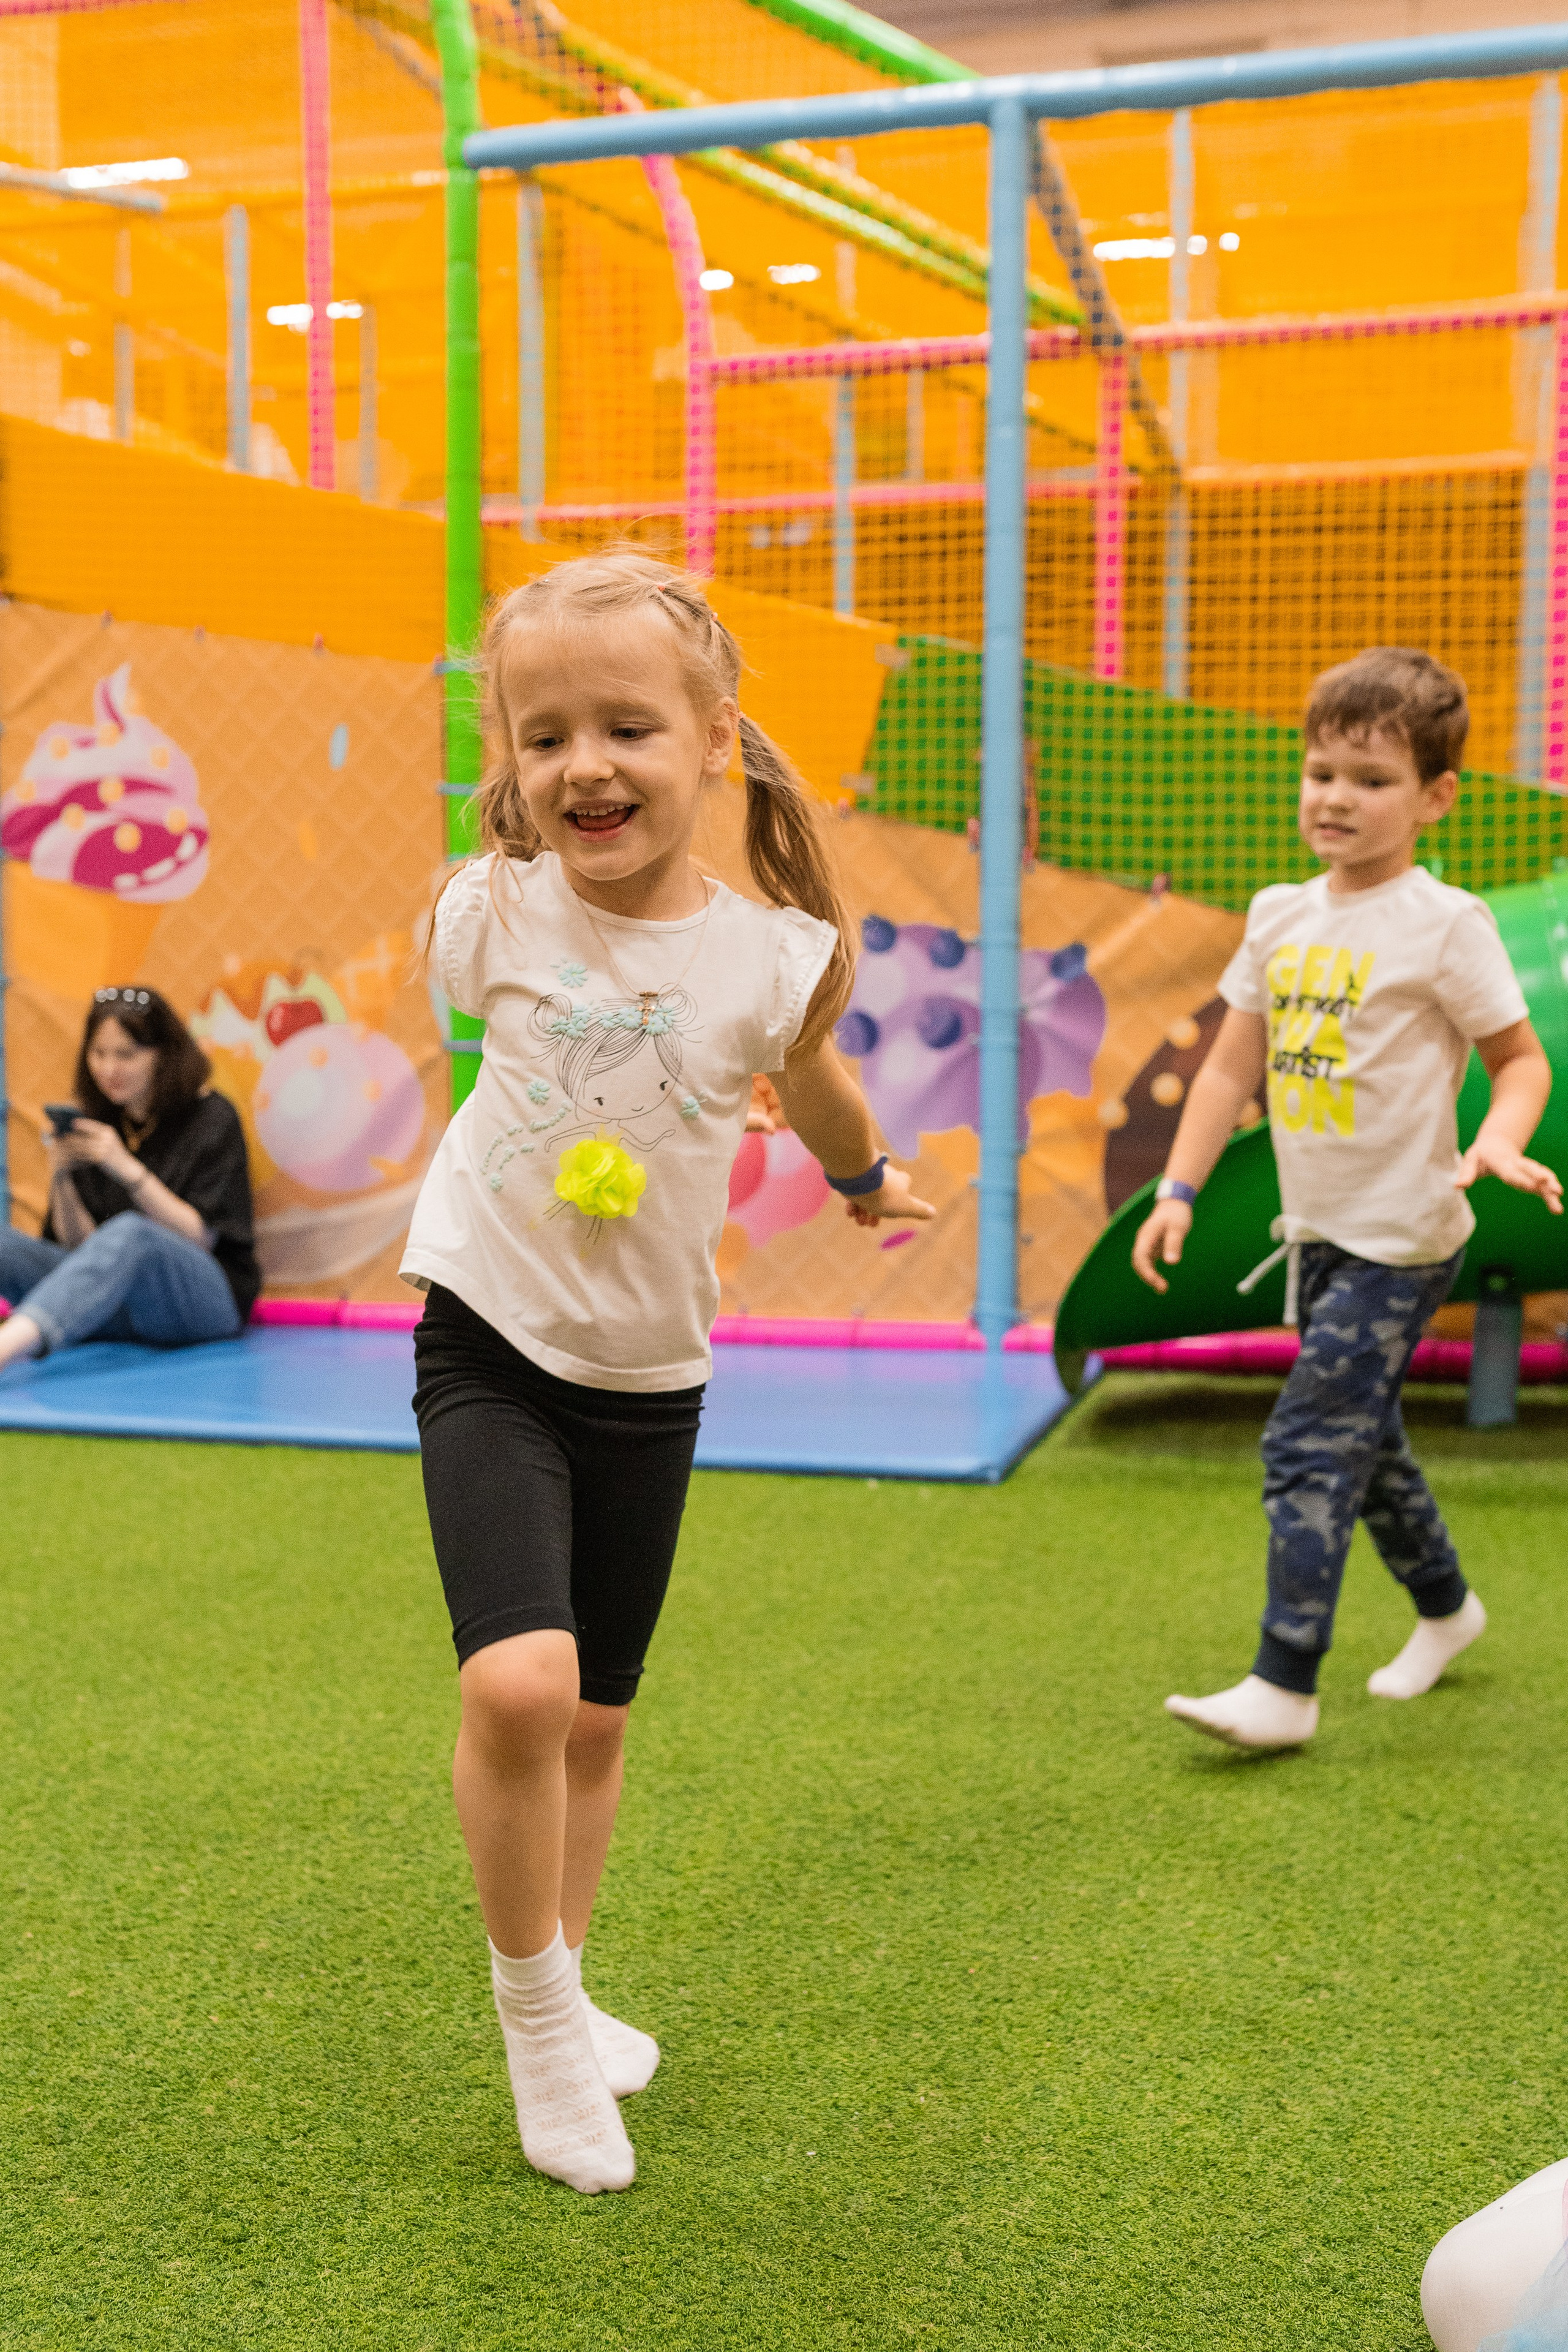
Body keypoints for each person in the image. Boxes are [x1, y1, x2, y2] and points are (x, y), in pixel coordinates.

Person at [401, 551, 932, 2195]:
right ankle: (539, 2015)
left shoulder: (774, 955)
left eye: (627, 725)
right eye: (542, 733)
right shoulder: (485, 913)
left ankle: (576, 1971)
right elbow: (501, 1091)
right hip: (489, 1330)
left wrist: (861, 1180)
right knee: (521, 1686)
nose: (583, 765)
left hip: (649, 1376)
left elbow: (816, 1086)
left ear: (716, 738)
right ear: (509, 760)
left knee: (599, 1719)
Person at [1130, 647, 1561, 1752]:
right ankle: (1449, 1610)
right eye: (1323, 771)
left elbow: (1520, 1061)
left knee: (1309, 1443)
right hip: (1316, 1229)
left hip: (1407, 1239)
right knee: (1366, 1445)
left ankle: (1284, 1684)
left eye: (1371, 780)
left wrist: (1501, 1143)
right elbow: (1231, 1070)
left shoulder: (1445, 924)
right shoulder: (1280, 915)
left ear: (1434, 798)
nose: (1337, 798)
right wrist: (1177, 1188)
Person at [0, 984, 259, 1372]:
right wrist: (63, 1177)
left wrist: (124, 1166)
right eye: (98, 1054)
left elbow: (202, 1237)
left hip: (204, 1302)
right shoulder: (98, 1119)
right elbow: (84, 1249)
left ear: (162, 1055)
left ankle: (6, 1350)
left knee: (132, 1232)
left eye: (126, 1055)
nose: (109, 1070)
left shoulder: (212, 1117)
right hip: (113, 1308)